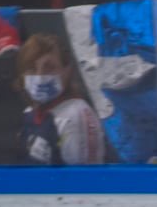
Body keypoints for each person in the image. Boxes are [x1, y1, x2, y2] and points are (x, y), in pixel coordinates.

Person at [16, 34, 105, 166]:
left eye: (49, 67)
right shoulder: (29, 113)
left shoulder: (76, 115)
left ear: (67, 70)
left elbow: (82, 181)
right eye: (32, 69)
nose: (40, 76)